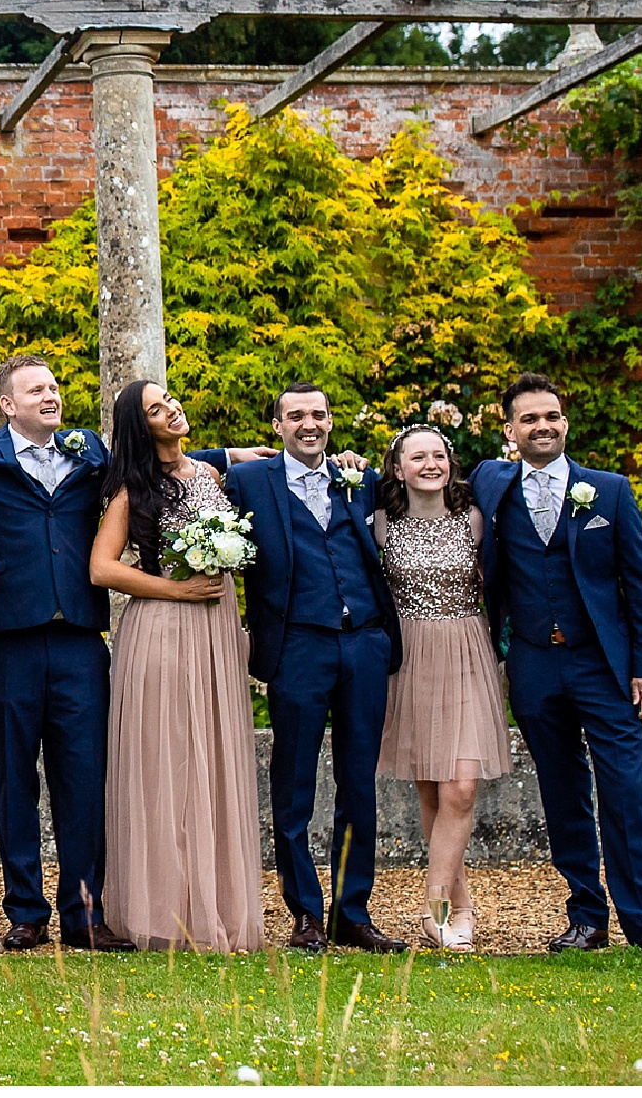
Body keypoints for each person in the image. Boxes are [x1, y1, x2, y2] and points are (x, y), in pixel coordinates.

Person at [0, 353, 270, 952]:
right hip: (6, 639)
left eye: (53, 387)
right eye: (35, 390)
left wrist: (228, 457)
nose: (50, 395)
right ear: (6, 404)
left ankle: (84, 913)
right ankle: (25, 909)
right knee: (11, 778)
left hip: (79, 639)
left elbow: (154, 463)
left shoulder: (89, 453)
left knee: (86, 779)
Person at [472, 373, 642, 951]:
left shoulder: (607, 491)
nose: (544, 426)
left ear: (564, 422)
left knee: (623, 792)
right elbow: (418, 482)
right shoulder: (492, 483)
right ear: (509, 430)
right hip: (535, 666)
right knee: (562, 795)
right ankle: (586, 917)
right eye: (530, 419)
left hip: (602, 667)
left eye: (552, 416)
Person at [225, 383, 405, 953]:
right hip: (296, 645)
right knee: (294, 781)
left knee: (359, 783)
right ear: (276, 427)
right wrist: (230, 454)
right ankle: (304, 911)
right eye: (296, 416)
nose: (310, 424)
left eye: (319, 415)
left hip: (364, 643)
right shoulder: (249, 482)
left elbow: (437, 490)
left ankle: (353, 911)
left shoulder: (361, 480)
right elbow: (180, 465)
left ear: (331, 423)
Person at [89, 379, 264, 952]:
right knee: (167, 762)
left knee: (211, 757)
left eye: (171, 399)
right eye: (156, 409)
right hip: (162, 628)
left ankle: (217, 905)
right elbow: (102, 569)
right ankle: (165, 912)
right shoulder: (129, 491)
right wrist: (173, 589)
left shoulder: (214, 478)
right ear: (141, 428)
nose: (173, 409)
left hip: (215, 631)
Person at [373, 423, 511, 951]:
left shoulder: (474, 520)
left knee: (461, 786)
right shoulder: (381, 524)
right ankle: (460, 908)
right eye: (418, 457)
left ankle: (435, 912)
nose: (430, 465)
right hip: (410, 658)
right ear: (399, 468)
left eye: (439, 455)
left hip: (466, 651)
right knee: (432, 787)